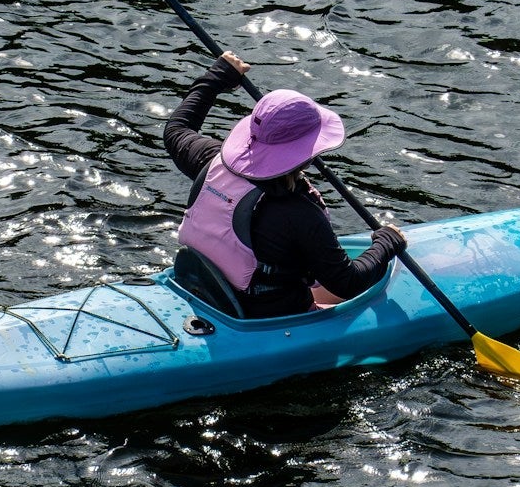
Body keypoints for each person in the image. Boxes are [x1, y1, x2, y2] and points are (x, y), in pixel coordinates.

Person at [164, 50, 405, 318]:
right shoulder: (299, 213)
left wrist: (217, 76)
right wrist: (387, 241)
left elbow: (176, 129)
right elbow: (348, 283)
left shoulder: (211, 161)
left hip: (205, 289)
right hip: (264, 315)